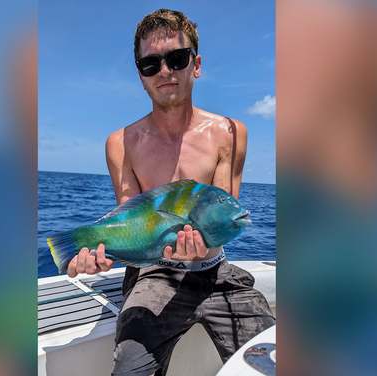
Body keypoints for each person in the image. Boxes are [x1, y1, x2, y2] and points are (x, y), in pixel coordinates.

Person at [65, 9, 275, 376]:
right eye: (150, 64)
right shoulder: (121, 143)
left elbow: (223, 218)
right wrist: (100, 255)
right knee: (130, 368)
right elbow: (131, 223)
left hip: (214, 270)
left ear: (195, 65)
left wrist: (201, 247)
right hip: (153, 273)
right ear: (141, 77)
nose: (164, 71)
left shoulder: (230, 132)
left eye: (176, 59)